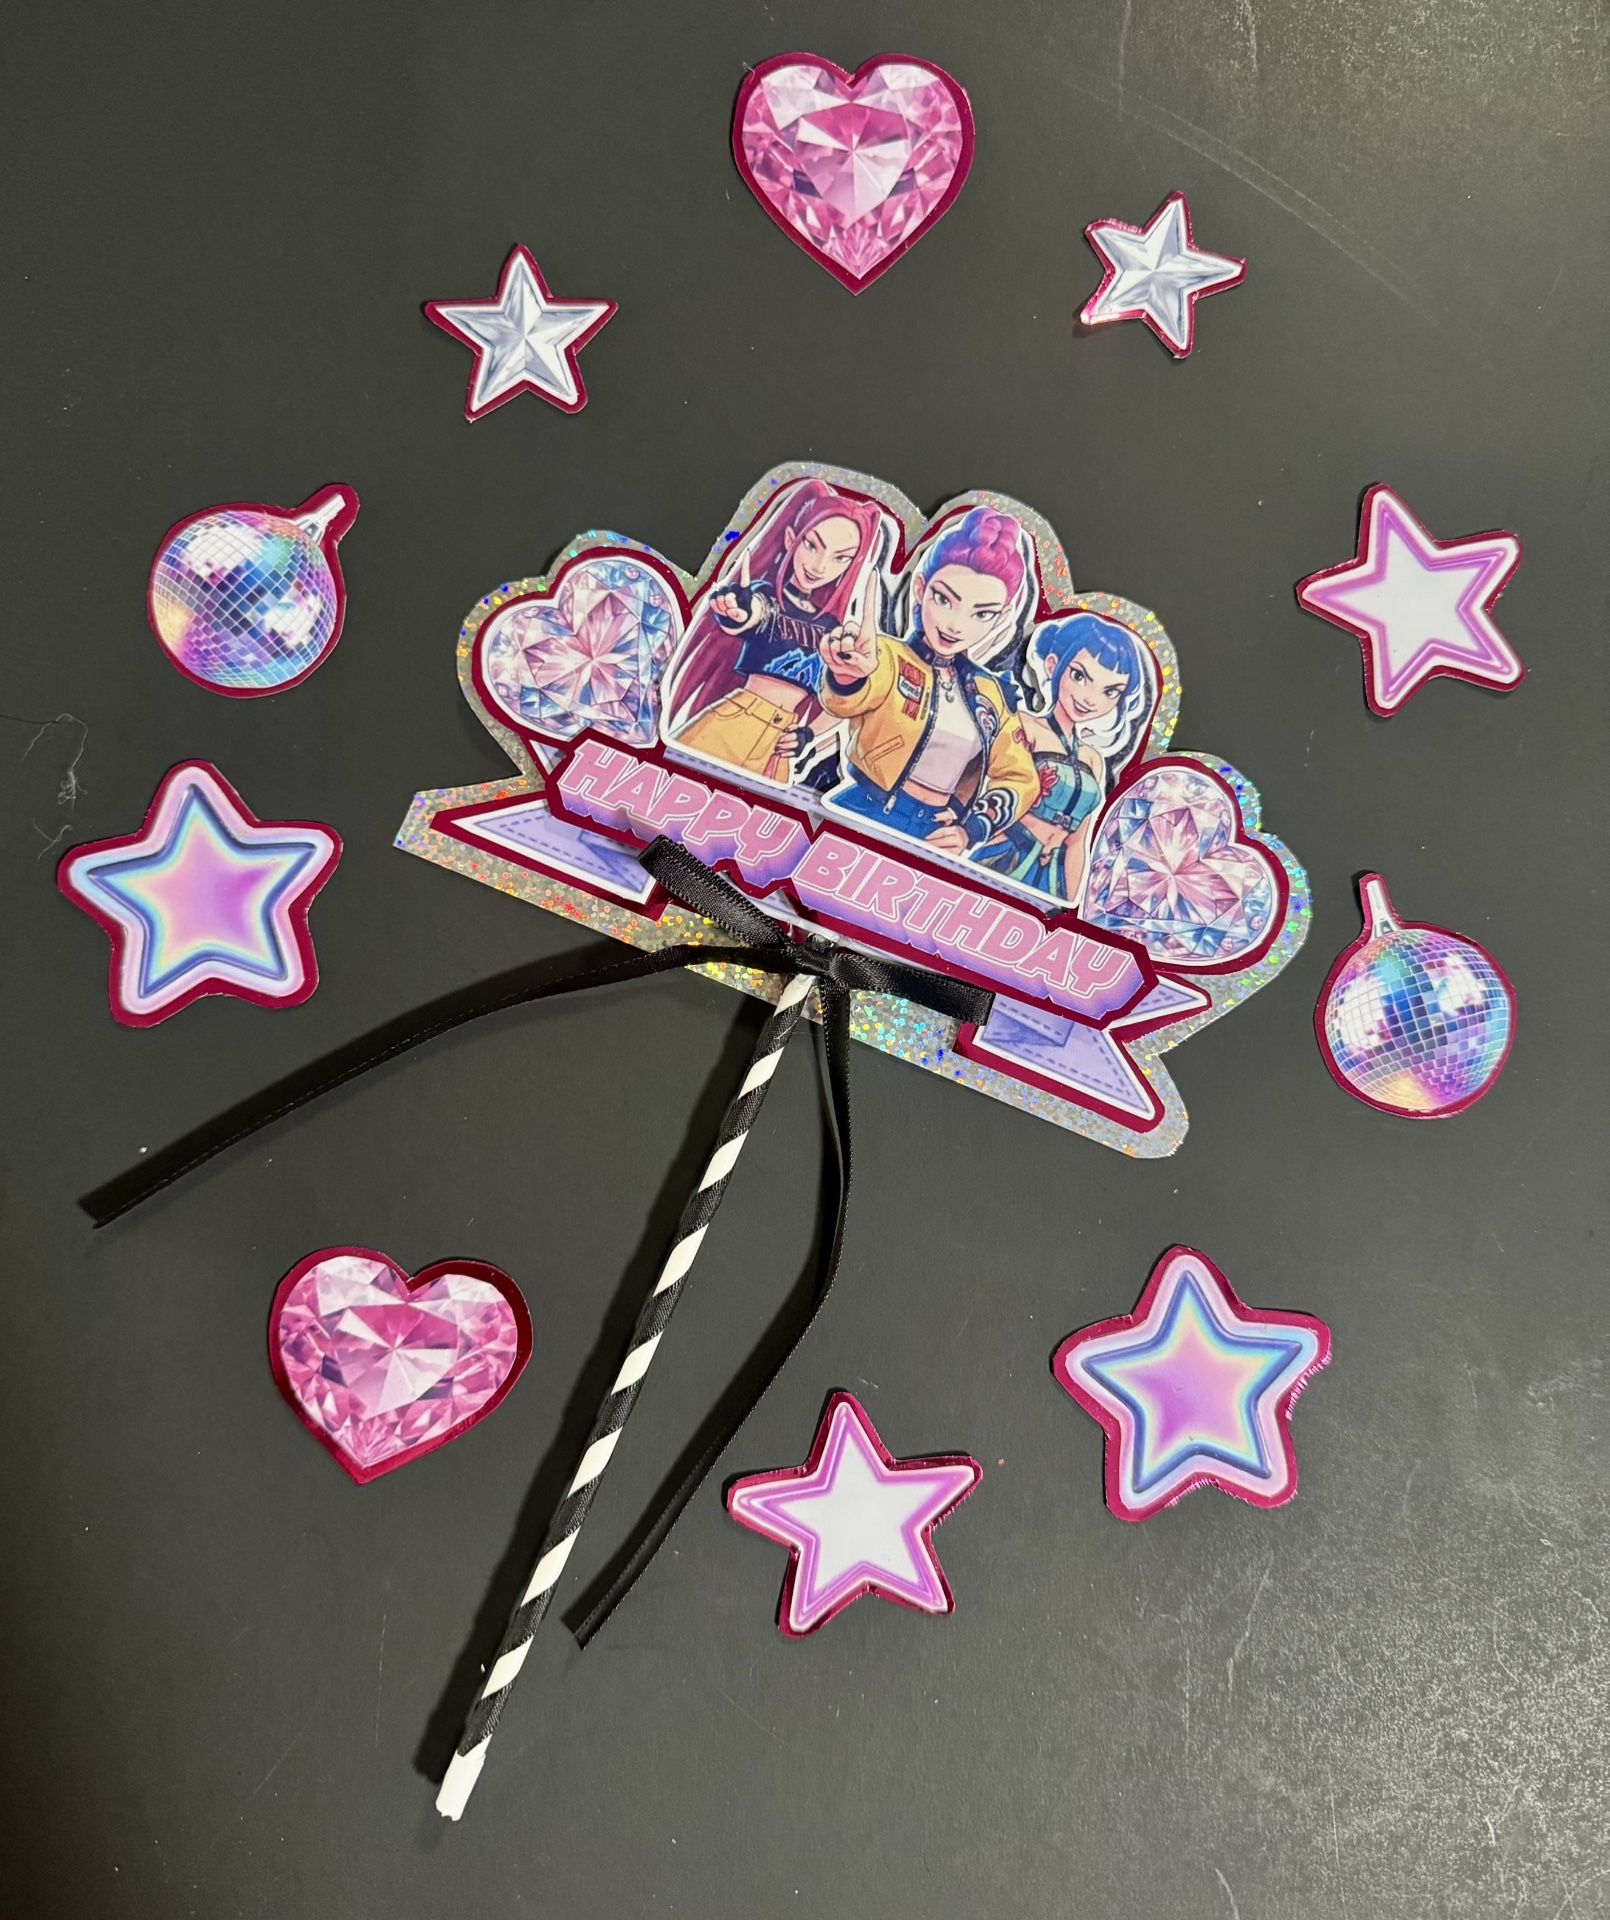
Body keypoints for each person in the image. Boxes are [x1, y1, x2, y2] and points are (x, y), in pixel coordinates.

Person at [820, 507, 1039, 858]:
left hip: (934, 832)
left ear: (1001, 617)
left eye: (981, 613)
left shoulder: (990, 694)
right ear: (920, 589)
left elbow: (1020, 776)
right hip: (866, 807)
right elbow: (847, 699)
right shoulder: (888, 656)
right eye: (943, 599)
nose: (955, 625)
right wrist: (848, 675)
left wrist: (974, 828)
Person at [666, 479, 885, 785]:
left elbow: (838, 703)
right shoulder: (768, 597)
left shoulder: (831, 629)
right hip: (735, 722)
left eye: (840, 558)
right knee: (679, 785)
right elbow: (753, 612)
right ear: (791, 538)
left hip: (779, 747)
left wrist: (808, 733)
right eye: (811, 545)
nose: (819, 566)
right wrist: (738, 609)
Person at [975, 611, 1157, 902]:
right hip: (1005, 852)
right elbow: (986, 789)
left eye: (1110, 692)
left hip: (1053, 873)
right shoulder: (1026, 726)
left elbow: (1077, 843)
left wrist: (1070, 907)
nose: (1090, 698)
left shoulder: (1093, 759)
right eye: (1079, 676)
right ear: (1052, 665)